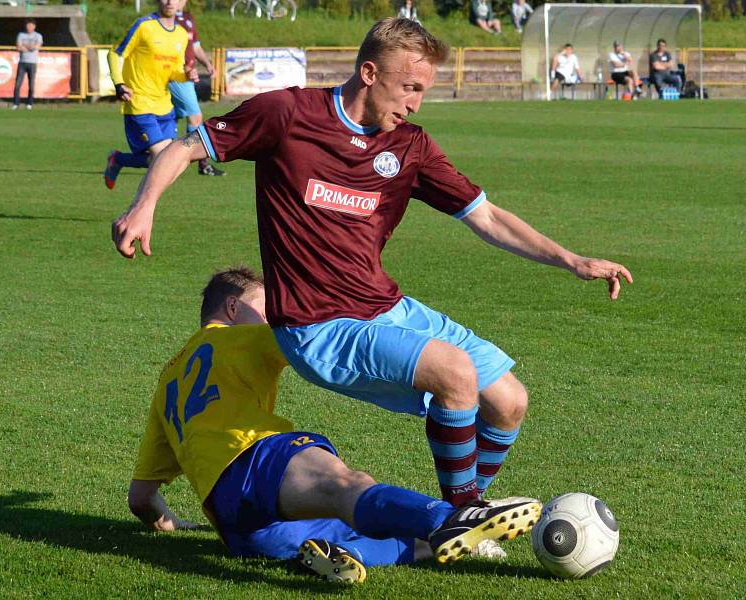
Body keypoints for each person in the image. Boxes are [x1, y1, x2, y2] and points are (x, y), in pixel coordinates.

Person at [112, 19, 632, 512]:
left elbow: (487, 217)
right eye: (409, 87)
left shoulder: (411, 146)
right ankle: (461, 516)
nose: (415, 102)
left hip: (384, 306)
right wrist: (144, 205)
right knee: (453, 372)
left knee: (509, 400)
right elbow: (185, 147)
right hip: (317, 324)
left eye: (423, 90)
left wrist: (573, 260)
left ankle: (458, 514)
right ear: (369, 73)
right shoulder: (287, 114)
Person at [128, 267, 542, 584]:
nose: (278, 315)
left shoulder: (167, 382)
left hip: (235, 525)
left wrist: (170, 525)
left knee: (378, 537)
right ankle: (452, 517)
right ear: (234, 309)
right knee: (349, 485)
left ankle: (364, 550)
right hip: (256, 457)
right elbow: (313, 335)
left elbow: (141, 497)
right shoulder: (236, 338)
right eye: (267, 306)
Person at [103, 0, 198, 190]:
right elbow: (114, 54)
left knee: (167, 161)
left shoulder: (181, 34)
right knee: (164, 158)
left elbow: (174, 71)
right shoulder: (144, 26)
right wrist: (120, 84)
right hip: (139, 102)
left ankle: (119, 159)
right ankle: (139, 208)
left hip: (164, 105)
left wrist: (186, 74)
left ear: (182, 2)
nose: (170, 2)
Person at [171, 0, 225, 177]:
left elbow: (195, 47)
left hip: (186, 76)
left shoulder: (188, 18)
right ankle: (200, 162)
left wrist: (207, 64)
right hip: (174, 75)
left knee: (173, 119)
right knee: (196, 117)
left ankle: (120, 159)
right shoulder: (161, 21)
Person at [11, 19, 42, 110]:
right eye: (28, 25)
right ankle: (16, 103)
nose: (29, 27)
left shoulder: (38, 35)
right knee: (17, 84)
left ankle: (30, 103)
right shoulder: (21, 35)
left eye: (31, 25)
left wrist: (26, 46)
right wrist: (28, 47)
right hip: (22, 62)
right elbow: (18, 47)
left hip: (32, 62)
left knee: (31, 84)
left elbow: (37, 46)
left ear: (34, 26)